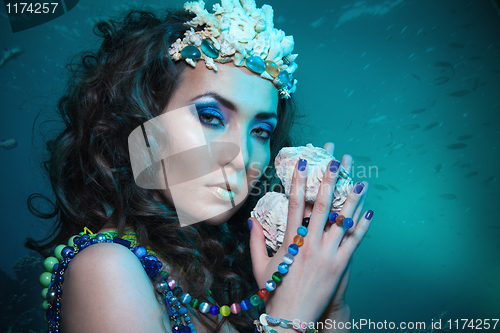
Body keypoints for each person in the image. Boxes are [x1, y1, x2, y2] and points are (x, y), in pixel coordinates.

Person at [27, 1, 374, 332]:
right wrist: (288, 319)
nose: (240, 157)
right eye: (210, 116)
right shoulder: (104, 268)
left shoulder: (214, 278)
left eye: (261, 131)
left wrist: (331, 304)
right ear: (144, 123)